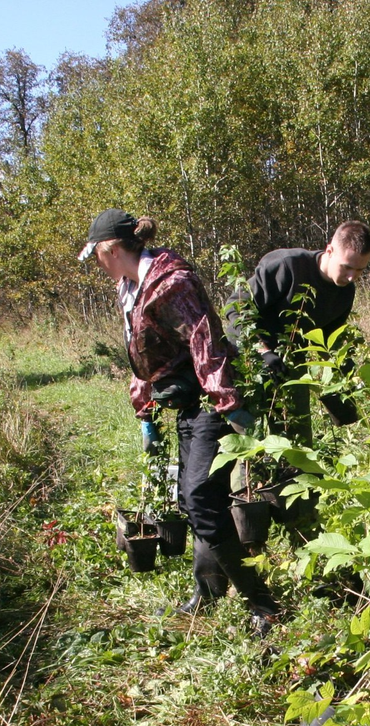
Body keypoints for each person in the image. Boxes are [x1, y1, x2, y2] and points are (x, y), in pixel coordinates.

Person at [79, 209, 278, 633]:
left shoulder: (172, 284)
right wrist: (145, 410)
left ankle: (264, 606)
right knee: (193, 501)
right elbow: (142, 356)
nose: (96, 263)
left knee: (203, 502)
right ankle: (207, 591)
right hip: (187, 402)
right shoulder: (129, 286)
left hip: (212, 401)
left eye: (96, 254)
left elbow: (205, 340)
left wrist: (229, 404)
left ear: (111, 250)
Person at [245, 220, 370, 442]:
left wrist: (344, 378)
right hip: (248, 364)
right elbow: (238, 310)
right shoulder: (287, 266)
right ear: (330, 250)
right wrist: (263, 351)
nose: (352, 276)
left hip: (292, 367)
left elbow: (328, 342)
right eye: (347, 267)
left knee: (297, 446)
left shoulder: (345, 292)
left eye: (360, 269)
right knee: (250, 444)